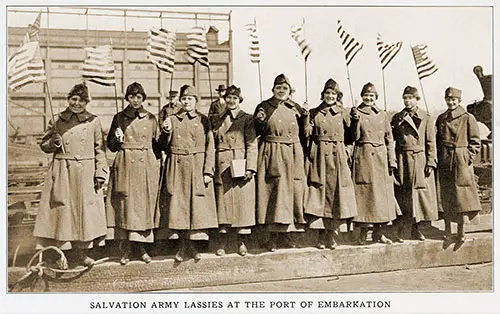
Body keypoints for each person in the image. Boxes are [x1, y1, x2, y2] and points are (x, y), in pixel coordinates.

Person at [33, 82, 108, 267]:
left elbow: (100, 150)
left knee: (84, 215)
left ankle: (81, 254)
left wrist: (100, 173)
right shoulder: (57, 119)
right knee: (63, 213)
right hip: (62, 171)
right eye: (74, 99)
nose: (77, 104)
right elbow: (44, 145)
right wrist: (54, 143)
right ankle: (60, 255)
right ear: (68, 99)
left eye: (81, 101)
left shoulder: (93, 121)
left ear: (86, 102)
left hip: (86, 172)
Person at [160, 84, 218, 262]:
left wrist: (208, 170)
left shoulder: (203, 120)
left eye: (190, 99)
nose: (186, 102)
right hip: (177, 167)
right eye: (184, 99)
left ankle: (192, 246)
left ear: (196, 101)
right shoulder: (172, 119)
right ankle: (182, 246)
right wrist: (165, 131)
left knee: (196, 208)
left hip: (197, 166)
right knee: (178, 207)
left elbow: (210, 147)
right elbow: (162, 146)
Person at [106, 82, 161, 265]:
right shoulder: (119, 117)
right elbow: (111, 147)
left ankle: (143, 248)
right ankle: (128, 249)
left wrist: (155, 167)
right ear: (127, 98)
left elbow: (159, 146)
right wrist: (117, 137)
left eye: (139, 97)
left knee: (144, 206)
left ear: (143, 98)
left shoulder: (152, 118)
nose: (135, 100)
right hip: (126, 164)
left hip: (145, 165)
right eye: (132, 96)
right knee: (126, 206)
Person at [253, 73, 309, 251]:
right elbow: (257, 130)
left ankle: (288, 236)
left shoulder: (296, 108)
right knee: (273, 194)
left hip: (293, 153)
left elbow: (305, 134)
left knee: (293, 194)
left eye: (285, 88)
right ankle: (272, 238)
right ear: (273, 89)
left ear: (289, 91)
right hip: (272, 153)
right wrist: (260, 120)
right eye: (278, 88)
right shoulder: (263, 106)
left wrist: (307, 117)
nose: (281, 91)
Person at [304, 79, 357, 249]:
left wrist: (355, 121)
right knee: (319, 194)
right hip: (320, 157)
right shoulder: (314, 112)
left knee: (336, 195)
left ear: (338, 96)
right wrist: (305, 117)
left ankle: (332, 235)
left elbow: (352, 137)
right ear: (323, 95)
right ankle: (321, 235)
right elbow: (307, 135)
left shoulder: (344, 113)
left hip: (338, 157)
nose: (330, 96)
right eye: (327, 93)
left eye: (333, 94)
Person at [350, 82, 400, 245]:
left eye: (371, 96)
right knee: (365, 197)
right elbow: (353, 137)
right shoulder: (356, 113)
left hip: (381, 159)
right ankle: (363, 234)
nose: (368, 98)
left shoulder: (383, 115)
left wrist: (391, 161)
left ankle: (379, 233)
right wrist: (355, 121)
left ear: (376, 97)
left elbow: (389, 139)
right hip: (364, 157)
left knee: (382, 197)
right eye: (366, 96)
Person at [212, 85, 257, 256]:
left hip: (240, 163)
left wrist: (250, 167)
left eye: (235, 98)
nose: (231, 101)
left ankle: (242, 243)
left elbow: (252, 144)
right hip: (222, 163)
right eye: (228, 98)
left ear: (239, 100)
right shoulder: (217, 119)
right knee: (223, 206)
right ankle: (222, 244)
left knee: (241, 205)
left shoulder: (247, 118)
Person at [391, 86, 438, 242]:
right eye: (405, 98)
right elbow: (391, 139)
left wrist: (431, 161)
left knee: (420, 195)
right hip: (403, 158)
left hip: (420, 159)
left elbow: (431, 142)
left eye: (410, 97)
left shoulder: (426, 117)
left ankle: (418, 229)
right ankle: (403, 229)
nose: (407, 101)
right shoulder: (397, 117)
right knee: (403, 194)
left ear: (417, 99)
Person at [436, 87, 482, 243]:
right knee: (446, 195)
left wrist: (467, 156)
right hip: (445, 159)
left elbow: (475, 141)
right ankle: (448, 231)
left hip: (460, 160)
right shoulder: (442, 118)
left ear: (459, 101)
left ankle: (461, 232)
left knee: (462, 196)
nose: (451, 102)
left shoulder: (467, 118)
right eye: (448, 99)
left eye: (454, 100)